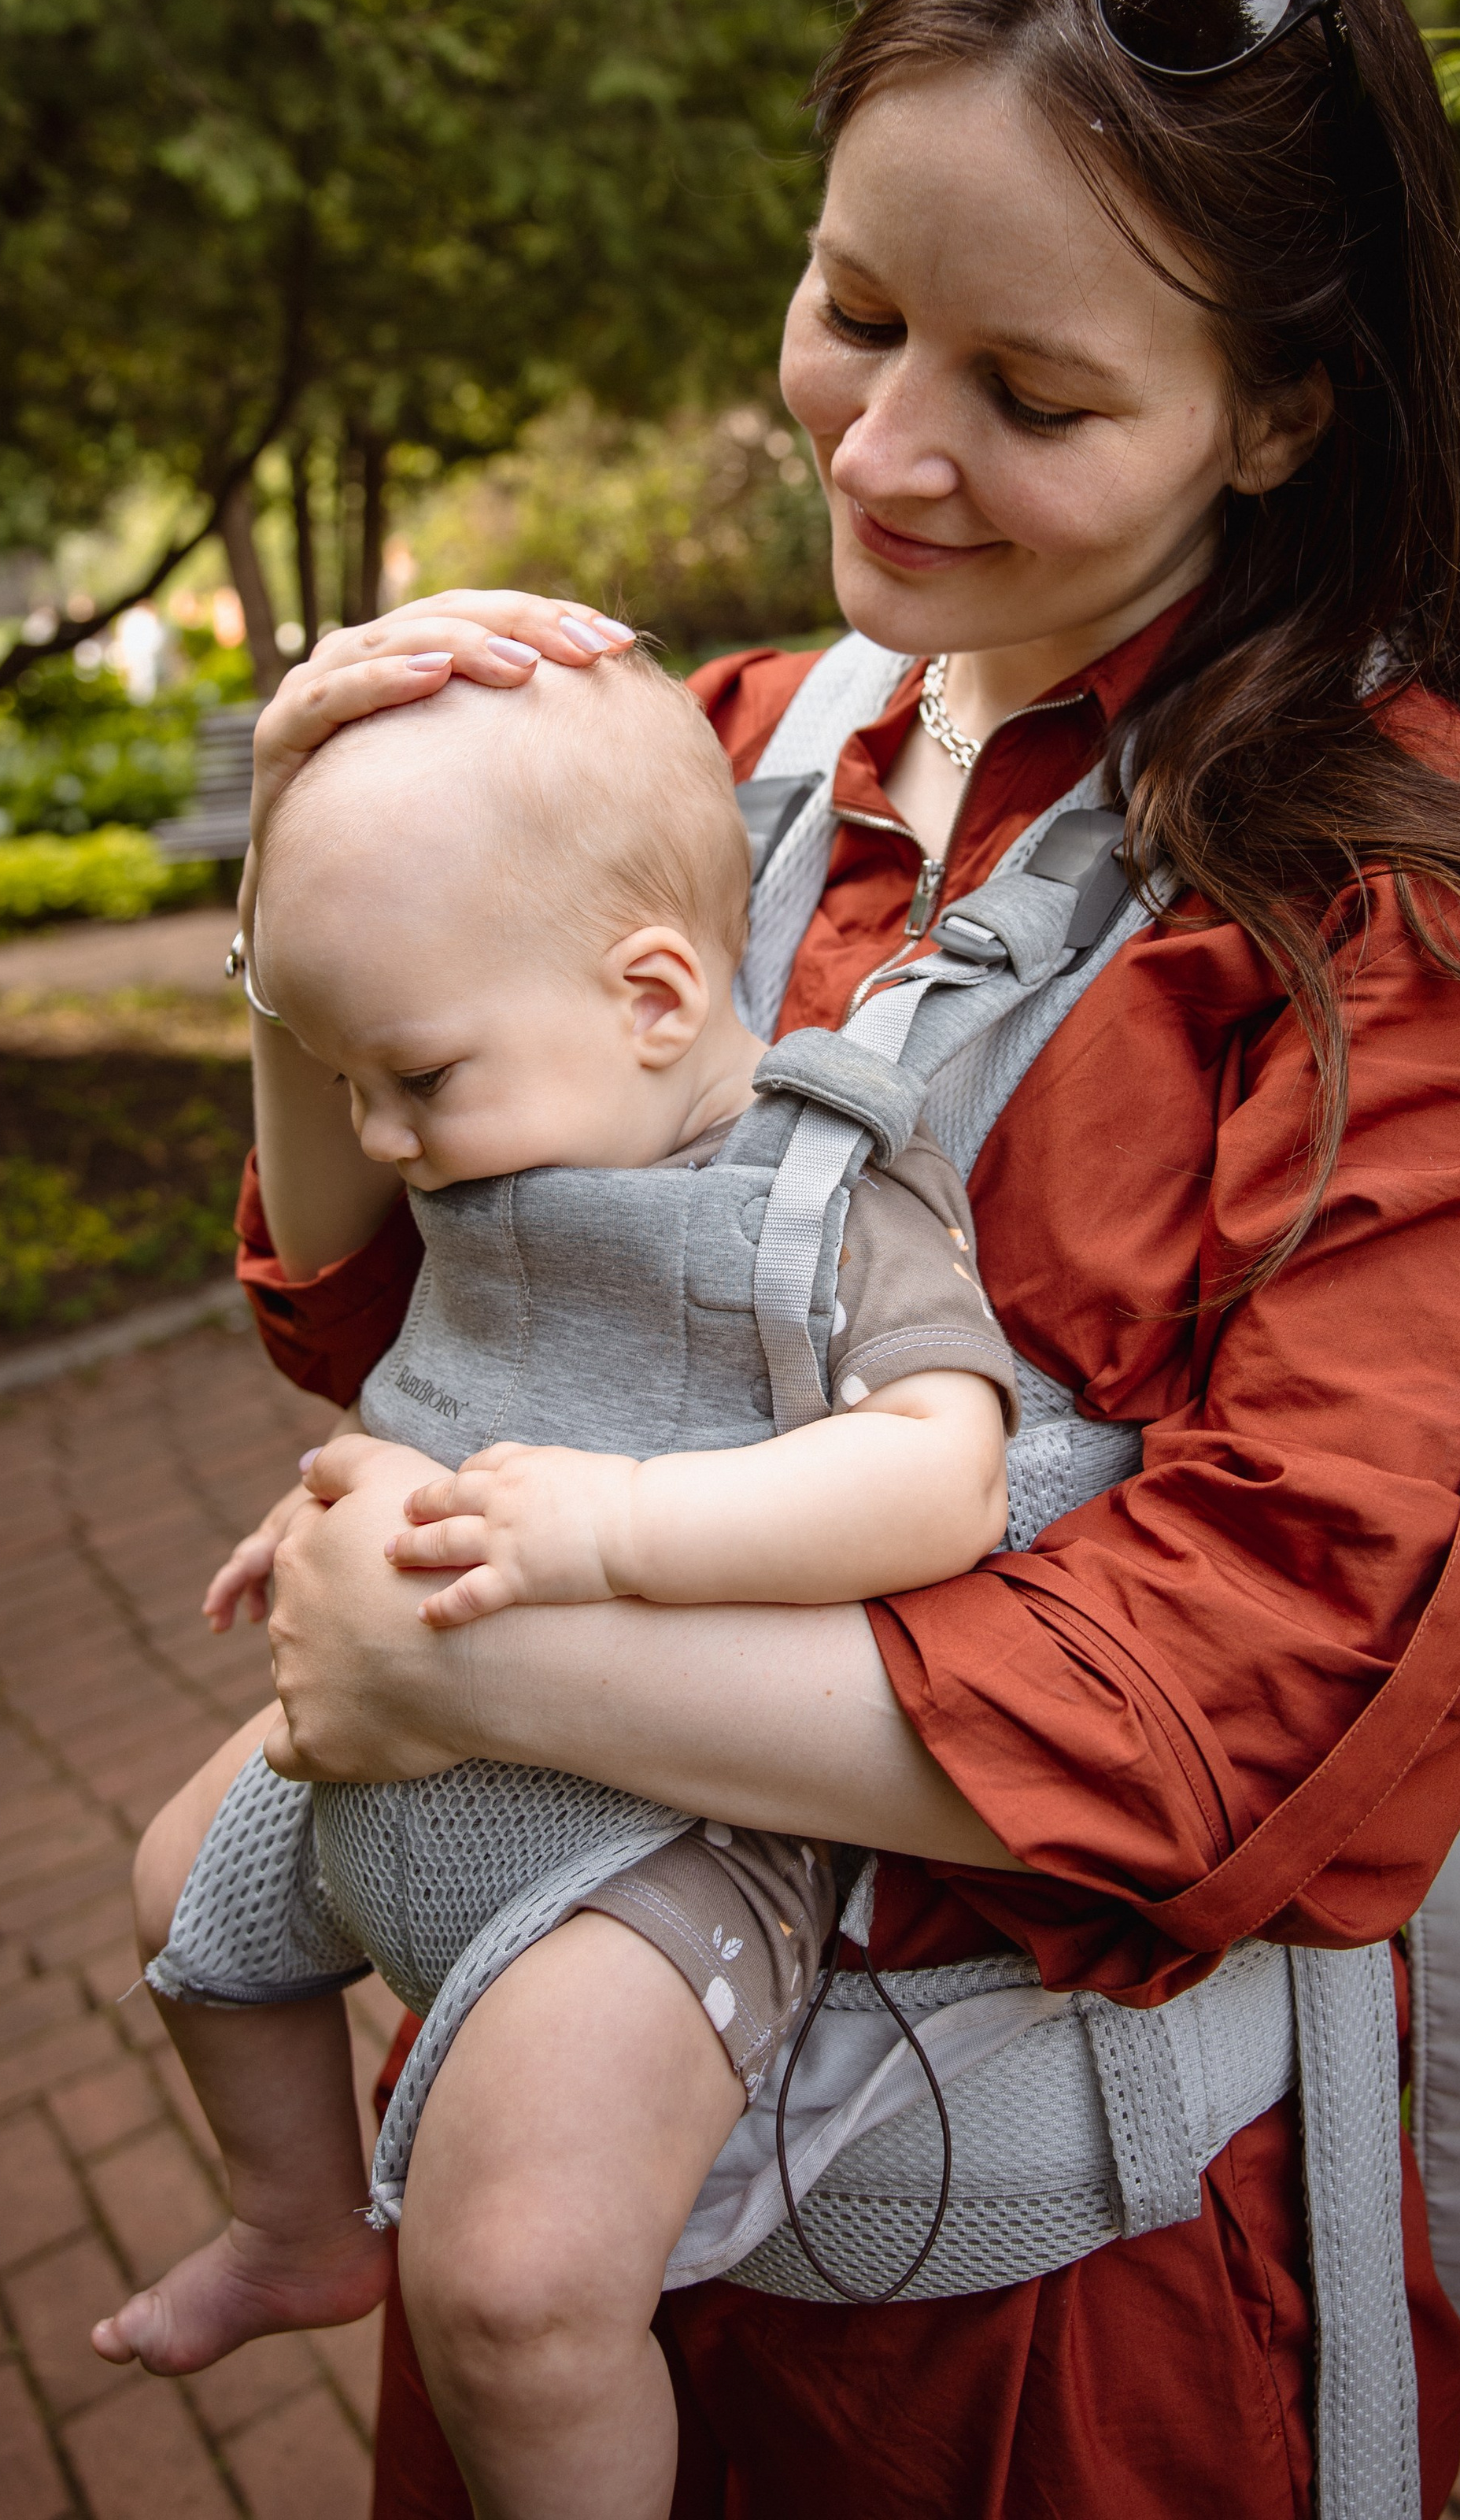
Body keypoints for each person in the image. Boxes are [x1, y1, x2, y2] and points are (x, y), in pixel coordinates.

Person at [227, 0, 1460, 2518]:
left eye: (1041, 399)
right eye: (858, 313)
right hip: (565, 2176)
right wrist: (318, 922)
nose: (893, 441)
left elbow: (1247, 1699)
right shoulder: (708, 756)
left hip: (1033, 2348)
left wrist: (464, 1671)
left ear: (1288, 410)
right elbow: (408, 1331)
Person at [91, 652, 1022, 2520]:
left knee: (511, 2288)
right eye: (353, 1081)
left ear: (656, 994)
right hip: (406, 1724)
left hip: (667, 1816)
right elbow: (455, 1390)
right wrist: (328, 1527)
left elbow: (944, 1473)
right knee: (176, 1889)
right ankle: (291, 2222)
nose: (373, 1140)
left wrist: (614, 1536)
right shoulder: (517, 1122)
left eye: (410, 1079)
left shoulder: (818, 1191)